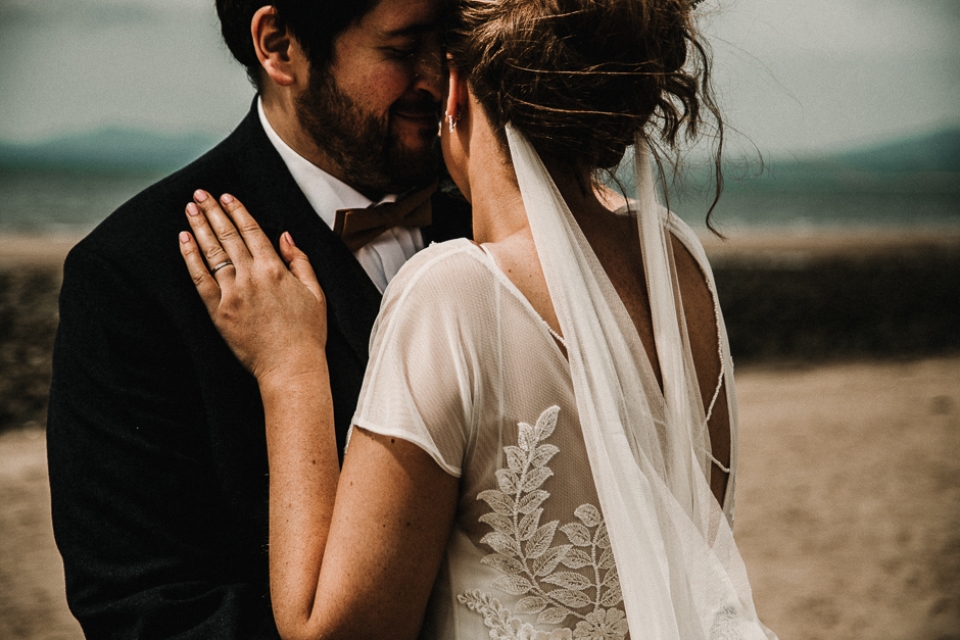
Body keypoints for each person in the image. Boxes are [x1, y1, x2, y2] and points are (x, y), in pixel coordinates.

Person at [178, 0, 778, 638]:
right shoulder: (676, 259)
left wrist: (289, 370)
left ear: (456, 86)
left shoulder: (450, 292)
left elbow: (327, 632)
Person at [45, 0, 471, 637]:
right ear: (279, 46)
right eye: (404, 47)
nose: (440, 77)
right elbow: (144, 606)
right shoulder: (133, 272)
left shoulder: (502, 224)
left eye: (450, 40)